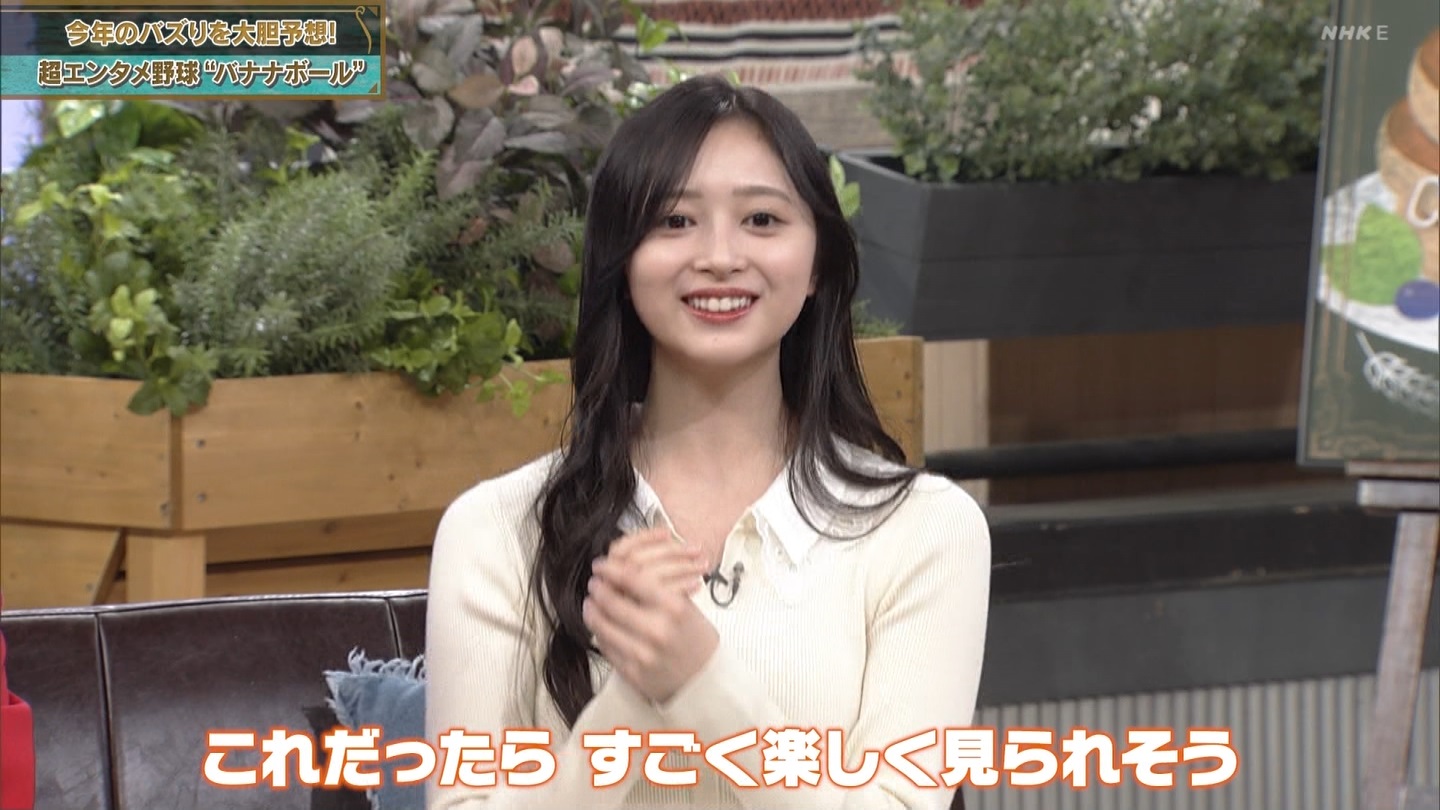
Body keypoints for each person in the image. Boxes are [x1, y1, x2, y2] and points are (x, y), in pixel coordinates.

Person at [425, 74, 991, 810]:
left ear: (818, 262)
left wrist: (700, 681)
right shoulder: (497, 529)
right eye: (675, 221)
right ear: (623, 261)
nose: (720, 256)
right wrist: (634, 702)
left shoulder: (925, 530)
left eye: (761, 219)